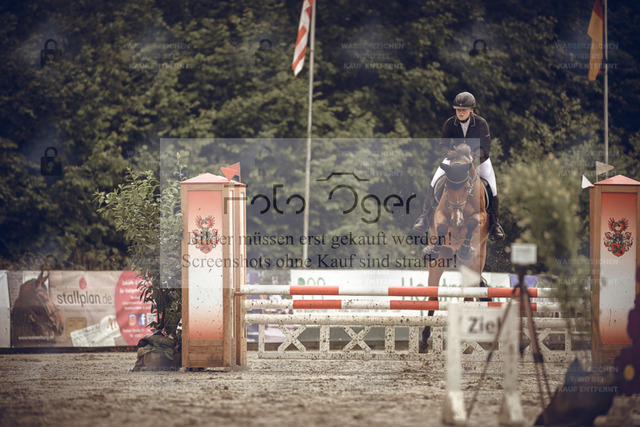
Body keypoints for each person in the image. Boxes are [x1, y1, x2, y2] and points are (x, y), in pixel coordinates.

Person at [413, 91, 505, 241]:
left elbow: (486, 146)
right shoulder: (450, 123)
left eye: (464, 109)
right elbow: (443, 145)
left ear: (471, 110)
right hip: (455, 159)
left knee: (492, 188)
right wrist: (452, 155)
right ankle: (424, 217)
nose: (460, 112)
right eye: (458, 109)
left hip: (479, 160)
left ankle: (495, 224)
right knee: (434, 180)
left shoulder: (481, 123)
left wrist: (473, 157)